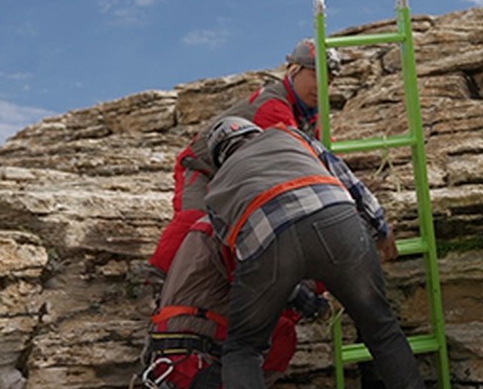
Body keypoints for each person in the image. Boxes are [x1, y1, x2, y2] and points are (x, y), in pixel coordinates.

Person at [201, 117, 439, 389]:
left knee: (244, 346)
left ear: (220, 156)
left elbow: (244, 257)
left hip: (269, 240)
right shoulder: (289, 134)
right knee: (381, 327)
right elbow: (348, 181)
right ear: (252, 133)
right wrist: (380, 229)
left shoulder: (216, 190)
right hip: (337, 219)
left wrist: (305, 300)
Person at [124, 215, 329, 389]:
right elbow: (259, 280)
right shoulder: (230, 229)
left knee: (283, 333)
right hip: (190, 359)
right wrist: (300, 293)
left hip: (194, 349)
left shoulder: (221, 221)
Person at [145, 40, 341, 277]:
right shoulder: (274, 107)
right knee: (195, 219)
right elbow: (297, 161)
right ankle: (154, 278)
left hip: (237, 178)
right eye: (316, 75)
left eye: (328, 81)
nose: (322, 87)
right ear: (294, 70)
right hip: (203, 169)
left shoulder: (310, 115)